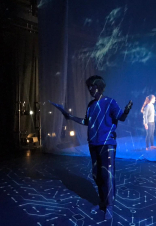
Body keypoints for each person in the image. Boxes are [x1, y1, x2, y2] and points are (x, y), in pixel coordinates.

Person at [50, 75, 132, 220]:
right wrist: (69, 117)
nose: (90, 90)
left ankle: (110, 206)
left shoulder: (110, 102)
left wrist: (126, 111)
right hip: (93, 144)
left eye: (92, 87)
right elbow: (86, 121)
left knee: (108, 175)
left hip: (107, 144)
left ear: (99, 87)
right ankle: (102, 202)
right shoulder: (91, 105)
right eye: (88, 88)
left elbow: (121, 117)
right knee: (96, 174)